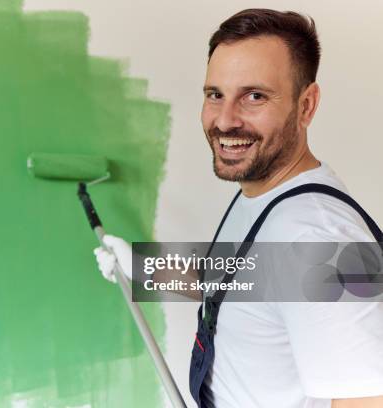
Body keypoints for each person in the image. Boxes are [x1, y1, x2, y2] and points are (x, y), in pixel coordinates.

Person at [93, 9, 383, 408]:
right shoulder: (267, 198)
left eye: (254, 96)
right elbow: (241, 278)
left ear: (306, 105)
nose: (225, 121)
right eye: (215, 94)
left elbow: (366, 400)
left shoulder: (316, 237)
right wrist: (145, 268)